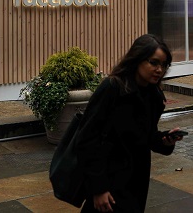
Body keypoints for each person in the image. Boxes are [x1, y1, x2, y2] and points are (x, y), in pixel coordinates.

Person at [75, 34, 183, 212]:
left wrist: (164, 140)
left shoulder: (153, 95)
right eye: (154, 63)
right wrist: (98, 188)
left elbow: (146, 137)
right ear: (137, 59)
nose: (159, 69)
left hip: (136, 181)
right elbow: (87, 140)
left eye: (164, 65)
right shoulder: (112, 88)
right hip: (108, 180)